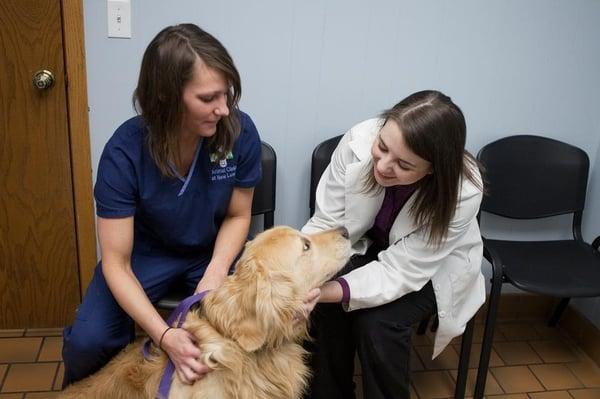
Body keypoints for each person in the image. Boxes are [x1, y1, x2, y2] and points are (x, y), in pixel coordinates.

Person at [62, 24, 263, 386]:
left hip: (212, 249)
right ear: (166, 99)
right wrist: (165, 336)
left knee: (250, 331)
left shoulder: (238, 132)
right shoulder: (124, 153)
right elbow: (116, 263)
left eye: (226, 94)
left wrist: (215, 273)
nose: (222, 109)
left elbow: (238, 215)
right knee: (88, 341)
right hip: (145, 257)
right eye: (207, 98)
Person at [302, 90, 486, 399]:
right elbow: (327, 225)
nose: (384, 166)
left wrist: (327, 291)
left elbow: (402, 270)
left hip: (433, 267)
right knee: (325, 310)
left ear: (433, 170)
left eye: (404, 164)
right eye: (382, 147)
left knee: (378, 325)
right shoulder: (357, 142)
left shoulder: (463, 191)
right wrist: (301, 279)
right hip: (369, 244)